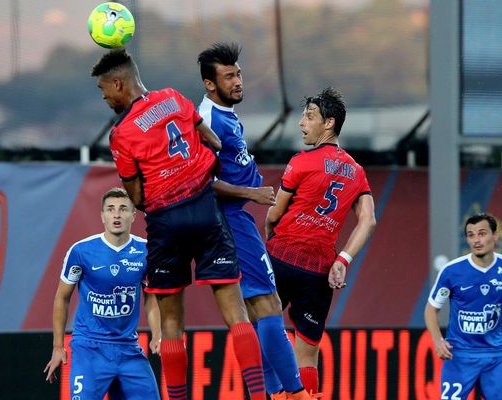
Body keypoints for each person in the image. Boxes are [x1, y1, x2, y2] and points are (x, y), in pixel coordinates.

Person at [91, 49, 266, 400]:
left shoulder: (121, 134)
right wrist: (195, 170)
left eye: (104, 89)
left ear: (119, 83)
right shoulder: (173, 97)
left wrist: (163, 181)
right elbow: (215, 143)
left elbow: (136, 196)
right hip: (205, 210)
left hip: (165, 221)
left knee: (171, 324)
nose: (105, 96)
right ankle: (260, 396)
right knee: (236, 313)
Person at [197, 42, 313, 400]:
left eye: (239, 73)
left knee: (256, 310)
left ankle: (272, 393)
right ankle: (294, 393)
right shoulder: (208, 121)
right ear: (209, 84)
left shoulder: (225, 112)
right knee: (268, 304)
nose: (238, 81)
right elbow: (202, 183)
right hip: (230, 218)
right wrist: (253, 193)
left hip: (232, 218)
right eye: (228, 76)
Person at [265, 87, 376, 397]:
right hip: (320, 271)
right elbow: (368, 220)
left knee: (261, 332)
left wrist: (268, 237)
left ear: (329, 123)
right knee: (308, 356)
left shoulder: (302, 161)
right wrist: (343, 261)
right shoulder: (356, 171)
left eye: (309, 116)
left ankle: (275, 395)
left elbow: (274, 214)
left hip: (281, 257)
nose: (302, 123)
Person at [43, 187, 161, 400]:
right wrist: (58, 346)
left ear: (134, 216)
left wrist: (157, 335)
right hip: (89, 348)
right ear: (102, 216)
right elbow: (62, 297)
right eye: (111, 209)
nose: (117, 214)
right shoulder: (81, 251)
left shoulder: (147, 251)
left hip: (128, 348)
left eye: (124, 209)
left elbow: (150, 296)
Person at [424, 213, 502, 399]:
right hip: (459, 355)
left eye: (482, 233)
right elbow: (431, 309)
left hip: (496, 355)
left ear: (495, 236)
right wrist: (437, 340)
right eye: (471, 235)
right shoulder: (451, 271)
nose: (476, 240)